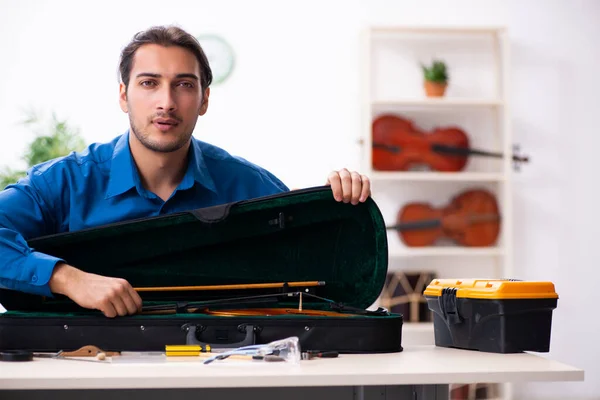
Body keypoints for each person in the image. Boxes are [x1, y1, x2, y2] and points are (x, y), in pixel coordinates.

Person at [0, 25, 371, 318]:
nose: (166, 102)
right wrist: (66, 278)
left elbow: (312, 270)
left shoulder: (249, 184)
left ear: (204, 99)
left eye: (184, 85)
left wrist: (333, 205)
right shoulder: (63, 181)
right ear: (123, 96)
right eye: (149, 83)